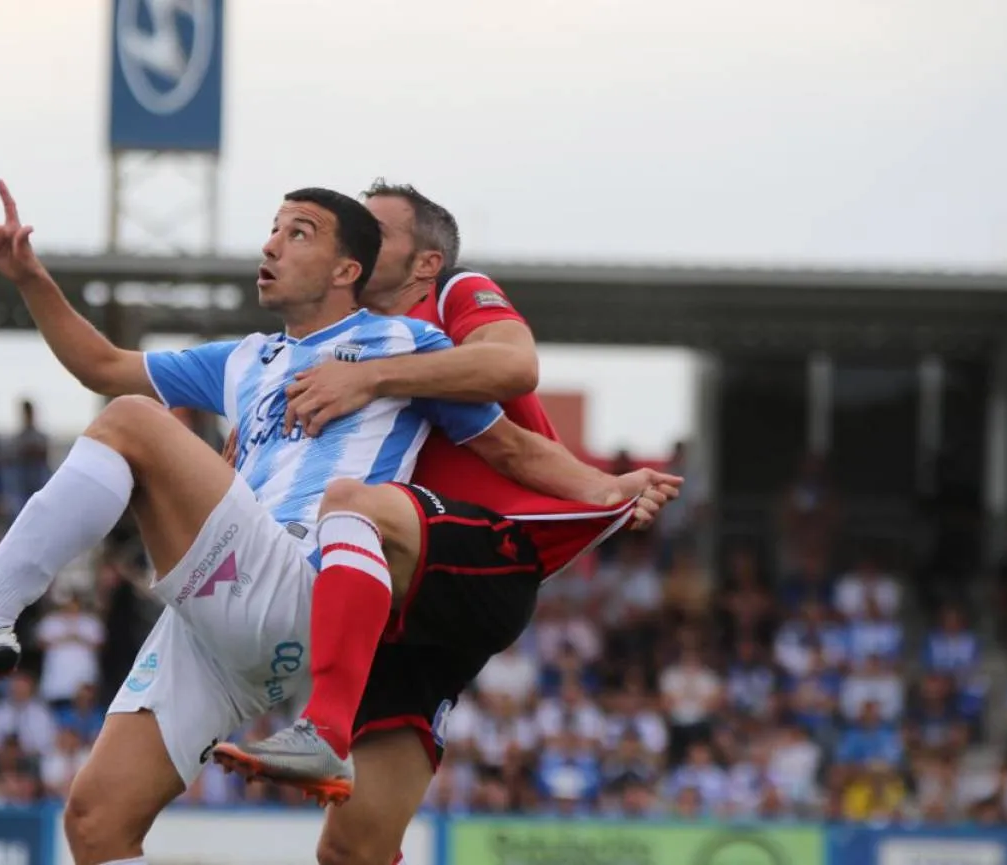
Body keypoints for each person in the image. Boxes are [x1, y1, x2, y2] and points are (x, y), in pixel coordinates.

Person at [0, 180, 661, 865]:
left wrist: (612, 486)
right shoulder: (245, 356)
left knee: (134, 423)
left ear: (348, 268)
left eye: (298, 232)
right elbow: (104, 361)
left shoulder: (408, 344)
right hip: (217, 623)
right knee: (96, 818)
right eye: (273, 229)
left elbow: (515, 446)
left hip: (296, 575)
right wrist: (31, 275)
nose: (271, 245)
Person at [212, 181, 679, 865]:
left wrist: (373, 379)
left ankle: (322, 728)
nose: (358, 241)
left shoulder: (456, 296)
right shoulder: (323, 345)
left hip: (478, 551)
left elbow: (514, 367)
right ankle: (322, 732)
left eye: (378, 232)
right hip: (402, 602)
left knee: (351, 502)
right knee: (353, 848)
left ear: (426, 262)